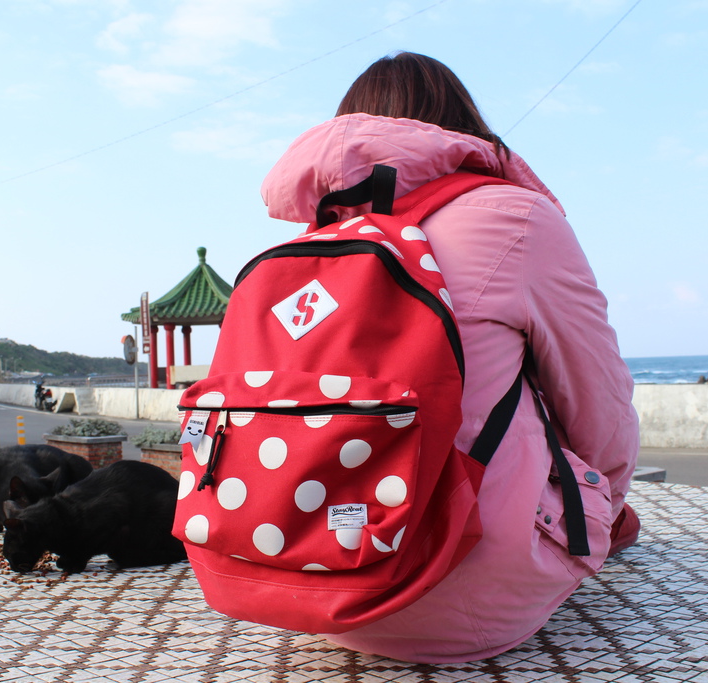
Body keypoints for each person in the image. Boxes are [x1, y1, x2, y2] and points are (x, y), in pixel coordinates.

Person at [259, 52, 641, 663]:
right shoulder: (516, 217)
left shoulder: (310, 246)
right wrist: (601, 509)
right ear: (459, 127)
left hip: (307, 582)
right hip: (472, 590)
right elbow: (600, 405)